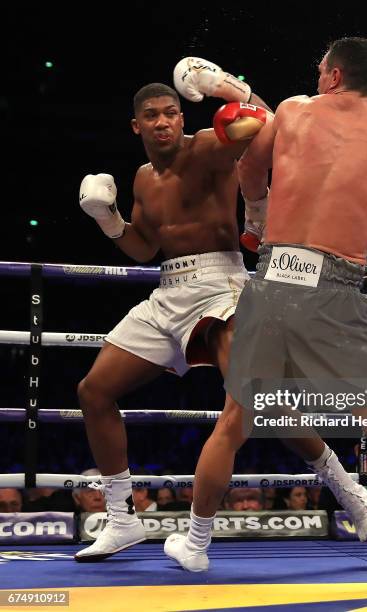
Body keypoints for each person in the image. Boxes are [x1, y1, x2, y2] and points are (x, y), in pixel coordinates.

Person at [165, 38, 367, 590]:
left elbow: (251, 158)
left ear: (333, 75)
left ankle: (196, 543)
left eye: (320, 68)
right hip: (335, 288)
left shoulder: (294, 111)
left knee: (232, 424)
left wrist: (256, 212)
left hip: (272, 279)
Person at [74, 57, 272, 562]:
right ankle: (121, 520)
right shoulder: (141, 178)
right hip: (168, 291)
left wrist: (229, 87)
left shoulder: (207, 146)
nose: (163, 121)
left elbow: (267, 125)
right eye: (152, 116)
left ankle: (346, 489)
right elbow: (143, 249)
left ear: (182, 118)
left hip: (221, 284)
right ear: (136, 125)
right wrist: (108, 218)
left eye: (170, 113)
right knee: (94, 391)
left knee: (251, 400)